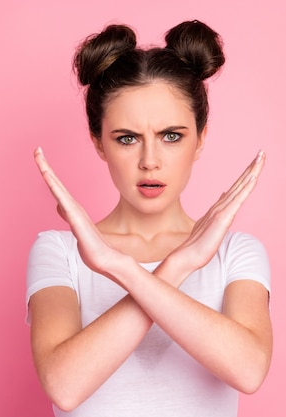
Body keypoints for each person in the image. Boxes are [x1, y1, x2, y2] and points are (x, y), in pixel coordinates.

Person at [26, 20, 272, 417]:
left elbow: (249, 371)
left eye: (171, 135)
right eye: (127, 138)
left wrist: (134, 269)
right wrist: (167, 269)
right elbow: (65, 386)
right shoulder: (60, 251)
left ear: (201, 138)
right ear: (98, 143)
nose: (150, 161)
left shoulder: (236, 253)